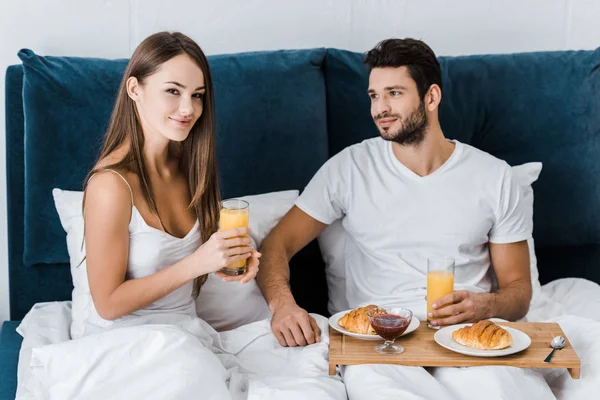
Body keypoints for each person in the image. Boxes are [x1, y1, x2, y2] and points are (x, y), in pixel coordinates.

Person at [257, 38, 555, 399]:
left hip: (467, 335)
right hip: (379, 341)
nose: (380, 108)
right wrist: (283, 305)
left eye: (394, 93)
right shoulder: (348, 169)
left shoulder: (494, 177)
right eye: (373, 96)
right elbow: (277, 244)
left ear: (431, 97)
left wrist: (486, 305)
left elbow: (519, 291)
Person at [77, 31, 261, 338]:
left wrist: (228, 258)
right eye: (173, 91)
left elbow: (190, 261)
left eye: (197, 95)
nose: (188, 109)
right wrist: (196, 263)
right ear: (135, 89)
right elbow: (107, 304)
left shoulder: (189, 169)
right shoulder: (111, 185)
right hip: (126, 341)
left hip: (185, 335)